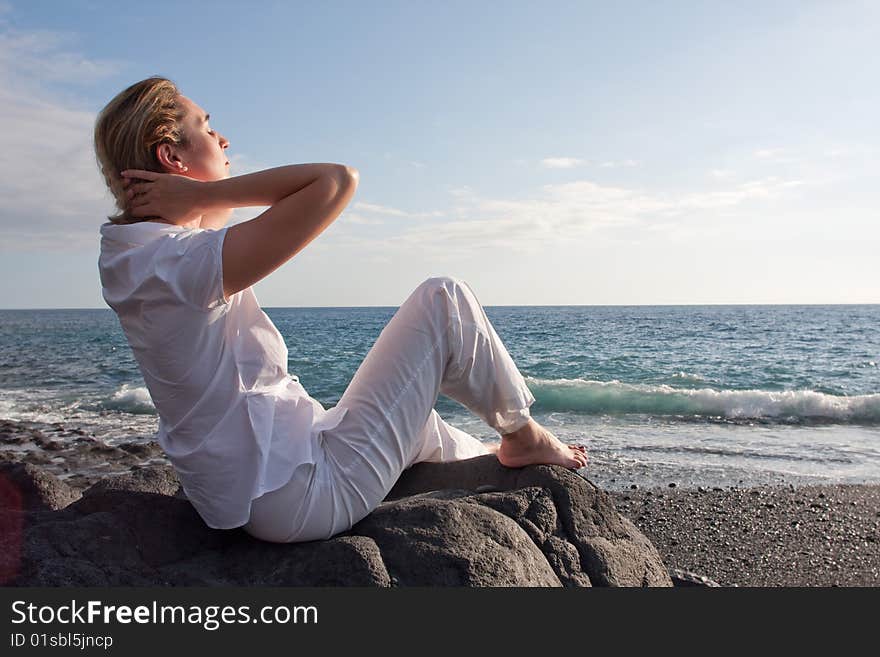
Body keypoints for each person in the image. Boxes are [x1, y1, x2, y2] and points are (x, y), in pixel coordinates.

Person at [95, 77, 588, 544]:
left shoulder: (134, 254)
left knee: (419, 422)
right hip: (295, 496)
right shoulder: (178, 263)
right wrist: (206, 191)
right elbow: (334, 181)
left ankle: (490, 458)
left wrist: (197, 192)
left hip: (254, 487)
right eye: (206, 126)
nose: (223, 139)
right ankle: (523, 437)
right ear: (170, 155)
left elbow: (219, 215)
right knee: (444, 300)